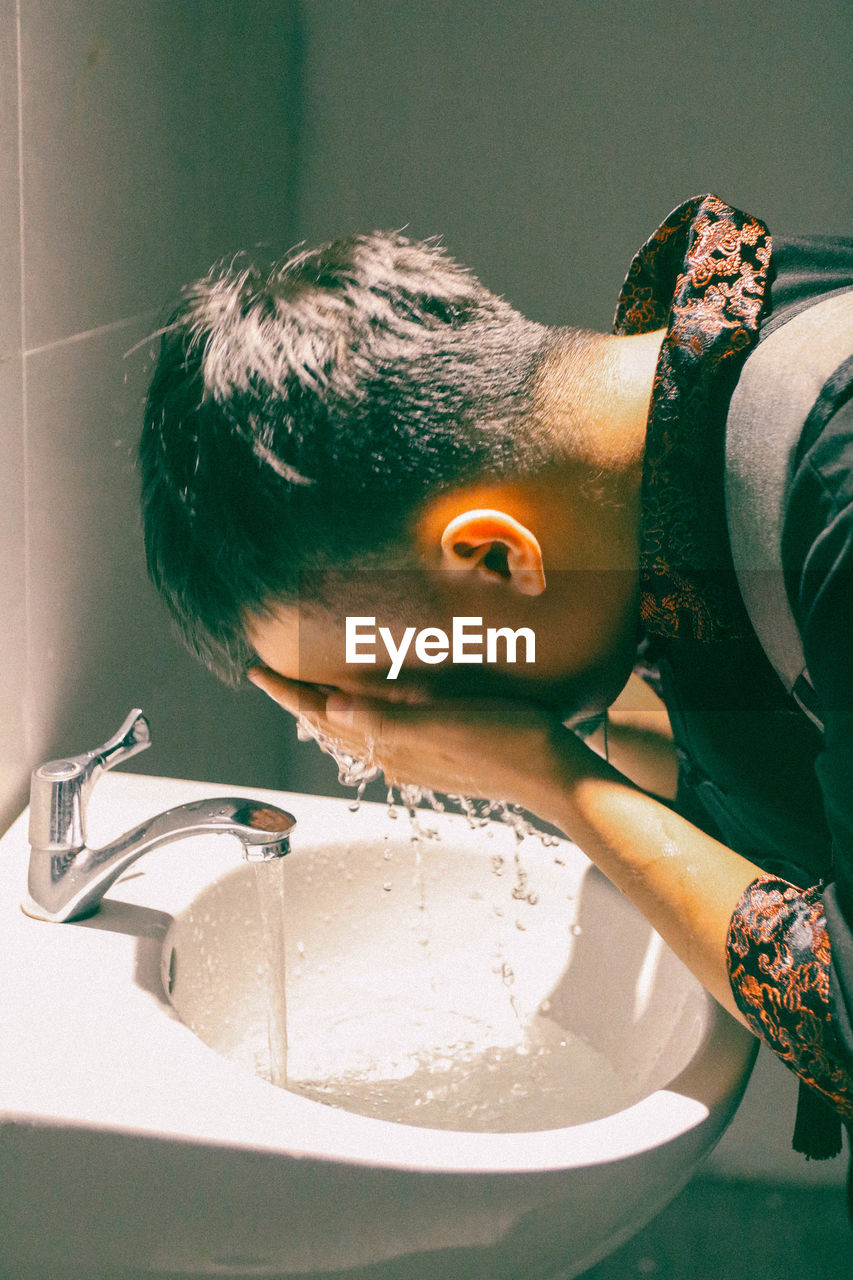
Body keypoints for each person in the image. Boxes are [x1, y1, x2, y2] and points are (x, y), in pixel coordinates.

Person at [140, 194, 853, 1166]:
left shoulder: (836, 496)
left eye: (392, 682)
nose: (400, 726)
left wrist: (549, 775)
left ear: (490, 560)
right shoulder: (704, 413)